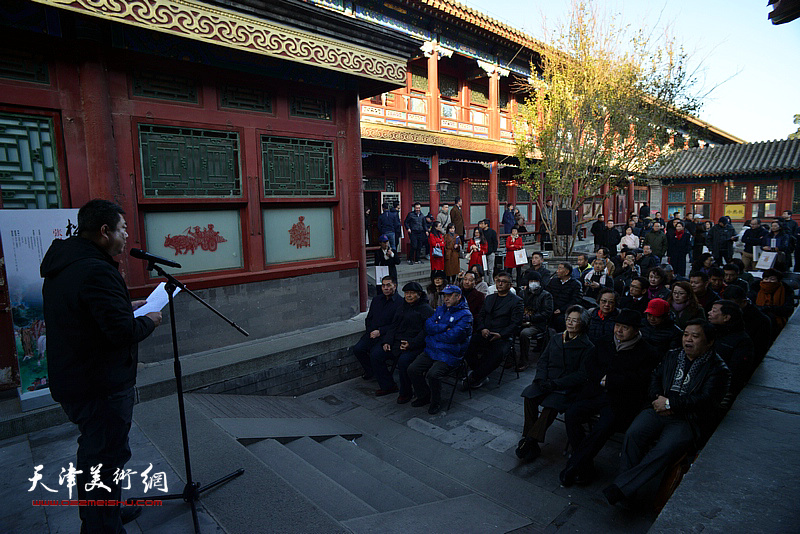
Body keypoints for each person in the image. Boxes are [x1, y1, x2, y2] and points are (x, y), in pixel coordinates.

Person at [41, 199, 163, 532]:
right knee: (104, 457)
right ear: (105, 231)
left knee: (101, 455)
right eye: (123, 229)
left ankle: (107, 512)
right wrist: (150, 319)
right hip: (98, 385)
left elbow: (87, 315)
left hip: (76, 378)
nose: (126, 236)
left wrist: (126, 305)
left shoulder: (67, 262)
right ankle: (100, 526)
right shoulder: (96, 269)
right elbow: (120, 333)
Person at [603, 320, 730, 505]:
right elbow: (655, 376)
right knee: (633, 434)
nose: (688, 340)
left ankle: (622, 488)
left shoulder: (718, 369)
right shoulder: (672, 355)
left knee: (665, 449)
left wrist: (671, 404)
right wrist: (657, 399)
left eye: (695, 336)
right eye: (686, 334)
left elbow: (706, 400)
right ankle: (627, 491)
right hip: (657, 408)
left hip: (686, 419)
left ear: (709, 342)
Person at [561, 309, 657, 486]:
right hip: (595, 392)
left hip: (620, 399)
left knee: (603, 427)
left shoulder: (646, 351)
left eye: (625, 327)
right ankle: (585, 466)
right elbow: (590, 364)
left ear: (636, 330)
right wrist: (600, 379)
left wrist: (612, 381)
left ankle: (574, 465)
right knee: (572, 414)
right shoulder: (605, 341)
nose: (619, 330)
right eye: (617, 326)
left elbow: (640, 380)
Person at [516, 305, 594, 462]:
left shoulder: (588, 347)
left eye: (575, 321)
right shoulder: (556, 338)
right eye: (568, 319)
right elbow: (543, 360)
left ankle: (530, 441)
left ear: (583, 324)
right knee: (529, 396)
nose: (570, 323)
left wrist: (556, 384)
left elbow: (581, 375)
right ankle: (530, 440)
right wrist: (541, 379)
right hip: (546, 380)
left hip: (565, 387)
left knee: (550, 407)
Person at [408, 285, 472, 415]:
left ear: (458, 296)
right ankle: (424, 395)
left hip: (450, 353)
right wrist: (445, 327)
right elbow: (428, 325)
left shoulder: (466, 315)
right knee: (412, 369)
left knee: (433, 374)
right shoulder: (440, 309)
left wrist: (436, 332)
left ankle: (436, 401)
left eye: (449, 295)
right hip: (432, 349)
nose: (446, 298)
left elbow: (454, 336)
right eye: (444, 296)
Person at [373, 281, 434, 401]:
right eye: (406, 293)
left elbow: (426, 332)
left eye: (412, 293)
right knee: (376, 354)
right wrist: (387, 341)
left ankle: (406, 392)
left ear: (419, 294)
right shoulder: (402, 307)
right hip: (397, 342)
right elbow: (393, 326)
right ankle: (388, 385)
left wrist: (411, 344)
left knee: (404, 361)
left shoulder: (426, 309)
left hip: (416, 345)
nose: (409, 296)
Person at [463, 272, 524, 388]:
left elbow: (516, 323)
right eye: (498, 281)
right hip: (486, 332)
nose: (500, 283)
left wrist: (501, 334)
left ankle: (475, 377)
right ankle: (479, 372)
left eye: (504, 282)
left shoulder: (516, 301)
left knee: (497, 353)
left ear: (510, 285)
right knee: (467, 344)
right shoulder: (490, 298)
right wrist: (482, 328)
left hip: (502, 336)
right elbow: (481, 316)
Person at [352, 276, 403, 379]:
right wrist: (370, 331)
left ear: (395, 286)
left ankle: (387, 383)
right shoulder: (377, 300)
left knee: (376, 355)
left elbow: (397, 325)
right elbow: (369, 319)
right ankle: (371, 371)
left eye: (389, 285)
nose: (386, 288)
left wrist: (380, 331)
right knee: (358, 349)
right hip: (372, 334)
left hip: (387, 336)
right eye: (383, 285)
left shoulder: (400, 303)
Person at [708, 300, 754, 401]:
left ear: (726, 317)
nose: (709, 313)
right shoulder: (709, 331)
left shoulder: (742, 341)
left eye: (714, 311)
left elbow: (737, 371)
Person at [722, 285, 772, 365]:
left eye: (732, 305)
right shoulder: (725, 314)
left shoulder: (761, 320)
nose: (728, 308)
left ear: (744, 302)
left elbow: (759, 350)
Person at [518, 271, 554, 371]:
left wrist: (531, 318)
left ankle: (524, 361)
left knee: (524, 334)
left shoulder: (546, 295)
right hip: (522, 321)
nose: (533, 283)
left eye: (535, 281)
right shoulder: (523, 293)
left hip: (537, 324)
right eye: (531, 281)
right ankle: (509, 358)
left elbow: (547, 312)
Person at [754, 268, 794, 336]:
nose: (768, 281)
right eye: (766, 279)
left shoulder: (786, 291)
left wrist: (770, 308)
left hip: (777, 319)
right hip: (757, 317)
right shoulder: (755, 289)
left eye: (772, 279)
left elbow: (788, 309)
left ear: (778, 280)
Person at [546, 262, 584, 332]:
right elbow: (547, 295)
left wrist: (561, 309)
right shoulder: (553, 281)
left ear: (566, 272)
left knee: (560, 321)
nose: (557, 271)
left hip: (565, 311)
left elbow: (576, 300)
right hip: (551, 308)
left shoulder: (575, 284)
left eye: (560, 269)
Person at [479, 219, 499, 283]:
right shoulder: (481, 232)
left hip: (490, 252)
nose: (481, 225)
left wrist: (493, 250)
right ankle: (485, 281)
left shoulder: (492, 232)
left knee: (490, 269)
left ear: (486, 225)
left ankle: (491, 282)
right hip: (483, 253)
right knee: (484, 269)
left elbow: (495, 242)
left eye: (483, 223)